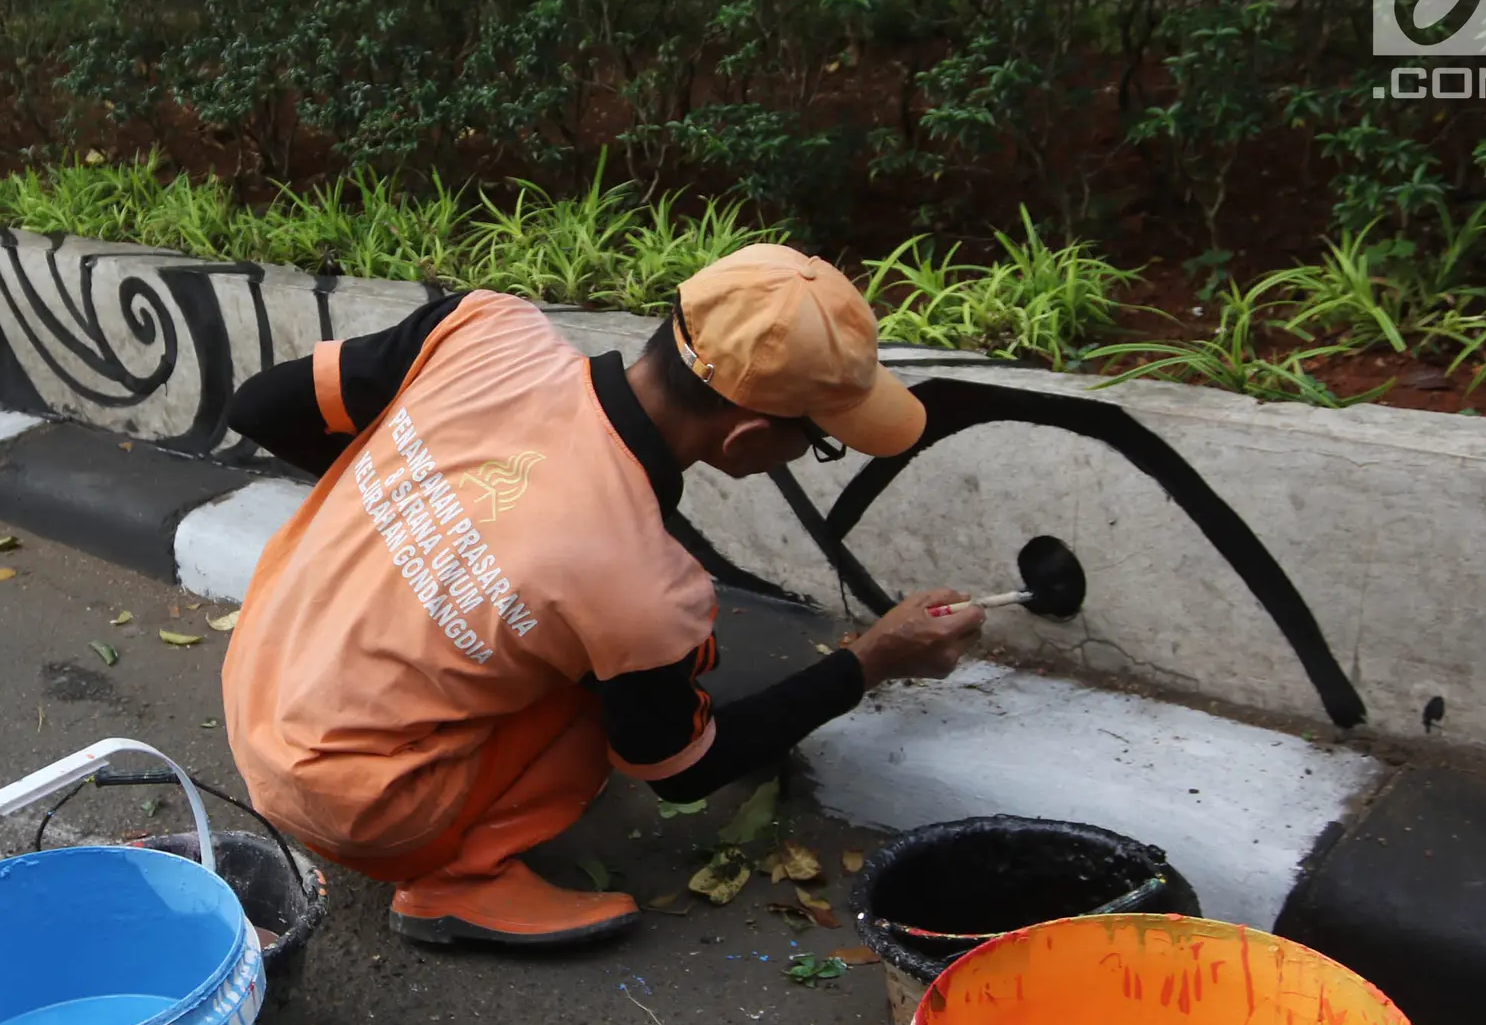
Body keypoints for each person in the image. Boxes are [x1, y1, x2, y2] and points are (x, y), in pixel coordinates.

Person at [220, 244, 987, 948]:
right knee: (608, 681)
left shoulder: (484, 329)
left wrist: (414, 515)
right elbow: (679, 767)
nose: (811, 453)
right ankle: (458, 881)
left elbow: (260, 405)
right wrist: (871, 661)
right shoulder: (644, 586)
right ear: (748, 439)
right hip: (358, 814)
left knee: (556, 631)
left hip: (254, 691)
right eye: (819, 441)